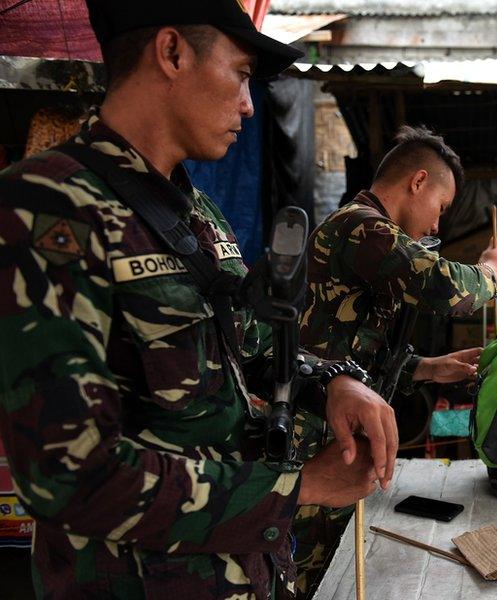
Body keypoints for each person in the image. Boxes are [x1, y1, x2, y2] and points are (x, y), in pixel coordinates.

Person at [0, 2, 397, 598]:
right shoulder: (47, 208)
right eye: (240, 74)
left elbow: (249, 347)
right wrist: (296, 488)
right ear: (172, 52)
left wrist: (333, 382)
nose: (247, 103)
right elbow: (73, 475)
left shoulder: (195, 211)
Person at [294, 124, 497, 593]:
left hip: (336, 428)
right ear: (417, 182)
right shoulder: (360, 226)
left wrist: (429, 367)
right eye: (441, 207)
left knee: (335, 568)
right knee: (314, 575)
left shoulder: (370, 235)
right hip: (314, 432)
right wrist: (491, 272)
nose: (437, 225)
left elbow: (355, 346)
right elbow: (446, 290)